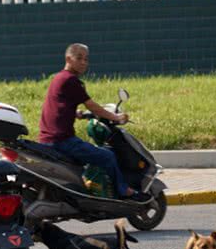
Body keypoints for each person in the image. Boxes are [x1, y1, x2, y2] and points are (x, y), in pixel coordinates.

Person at [39, 43, 150, 202]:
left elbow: (60, 104)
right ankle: (123, 190)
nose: (84, 62)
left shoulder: (59, 78)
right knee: (108, 156)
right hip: (62, 141)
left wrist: (78, 114)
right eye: (79, 58)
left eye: (86, 59)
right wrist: (116, 117)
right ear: (68, 59)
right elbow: (92, 106)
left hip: (48, 139)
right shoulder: (71, 80)